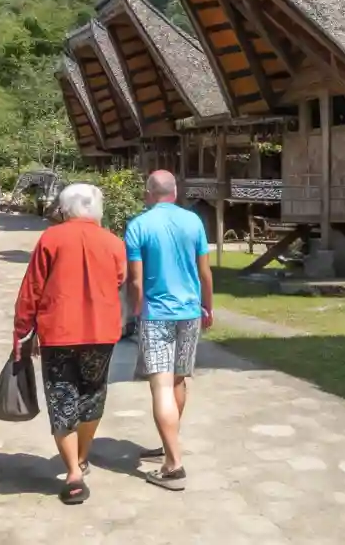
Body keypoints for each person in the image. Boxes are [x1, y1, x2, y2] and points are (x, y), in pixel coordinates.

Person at [12, 183, 127, 505]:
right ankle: (82, 457)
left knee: (62, 396)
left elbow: (32, 289)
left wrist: (23, 332)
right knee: (92, 393)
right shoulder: (113, 242)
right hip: (101, 333)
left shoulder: (51, 238)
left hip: (58, 333)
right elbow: (118, 279)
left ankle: (73, 474)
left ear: (65, 208)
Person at [124, 170, 212, 491]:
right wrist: (208, 306)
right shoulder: (194, 222)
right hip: (189, 312)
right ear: (175, 191)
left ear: (149, 193)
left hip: (156, 314)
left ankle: (174, 465)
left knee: (161, 385)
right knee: (177, 379)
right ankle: (169, 442)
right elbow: (205, 272)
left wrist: (135, 308)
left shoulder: (138, 226)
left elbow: (135, 279)